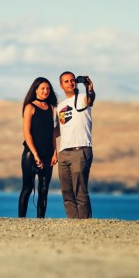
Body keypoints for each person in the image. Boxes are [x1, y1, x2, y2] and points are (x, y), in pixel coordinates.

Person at [55, 71, 96, 219]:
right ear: (61, 85)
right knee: (66, 192)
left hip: (81, 149)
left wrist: (89, 88)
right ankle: (73, 224)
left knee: (80, 191)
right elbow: (57, 130)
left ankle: (84, 224)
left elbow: (91, 100)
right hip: (64, 152)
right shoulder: (60, 106)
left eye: (72, 80)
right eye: (66, 81)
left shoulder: (83, 99)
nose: (70, 83)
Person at [19, 77, 58, 218]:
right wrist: (35, 154)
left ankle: (40, 221)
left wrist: (55, 152)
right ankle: (21, 220)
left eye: (48, 88)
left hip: (48, 154)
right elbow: (26, 133)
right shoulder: (30, 107)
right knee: (27, 188)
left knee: (44, 189)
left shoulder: (52, 108)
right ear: (35, 90)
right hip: (31, 154)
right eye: (42, 88)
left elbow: (52, 132)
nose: (45, 91)